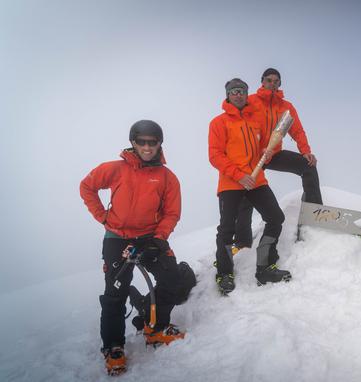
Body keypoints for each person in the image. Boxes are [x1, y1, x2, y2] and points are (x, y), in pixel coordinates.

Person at [80, 120, 187, 375]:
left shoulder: (167, 177)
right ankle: (113, 347)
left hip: (150, 237)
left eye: (153, 142)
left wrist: (159, 240)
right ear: (133, 142)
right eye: (142, 141)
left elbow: (172, 212)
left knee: (171, 277)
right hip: (117, 238)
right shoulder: (115, 169)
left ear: (160, 144)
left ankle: (156, 328)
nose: (147, 147)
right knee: (115, 292)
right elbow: (87, 186)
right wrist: (103, 218)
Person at [208, 78, 292, 296]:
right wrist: (238, 175)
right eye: (234, 91)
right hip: (231, 183)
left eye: (242, 91)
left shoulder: (255, 120)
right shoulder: (218, 123)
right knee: (227, 228)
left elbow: (267, 144)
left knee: (276, 218)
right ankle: (225, 273)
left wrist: (269, 151)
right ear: (228, 95)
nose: (238, 94)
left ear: (246, 94)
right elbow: (215, 156)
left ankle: (264, 267)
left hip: (257, 180)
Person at [233, 68, 322, 250]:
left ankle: (314, 213)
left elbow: (297, 130)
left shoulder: (286, 106)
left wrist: (306, 151)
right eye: (269, 80)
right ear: (262, 81)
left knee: (308, 166)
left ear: (280, 83)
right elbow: (239, 125)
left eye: (276, 81)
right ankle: (242, 242)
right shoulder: (251, 101)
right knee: (245, 194)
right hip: (253, 156)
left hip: (274, 153)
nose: (272, 84)